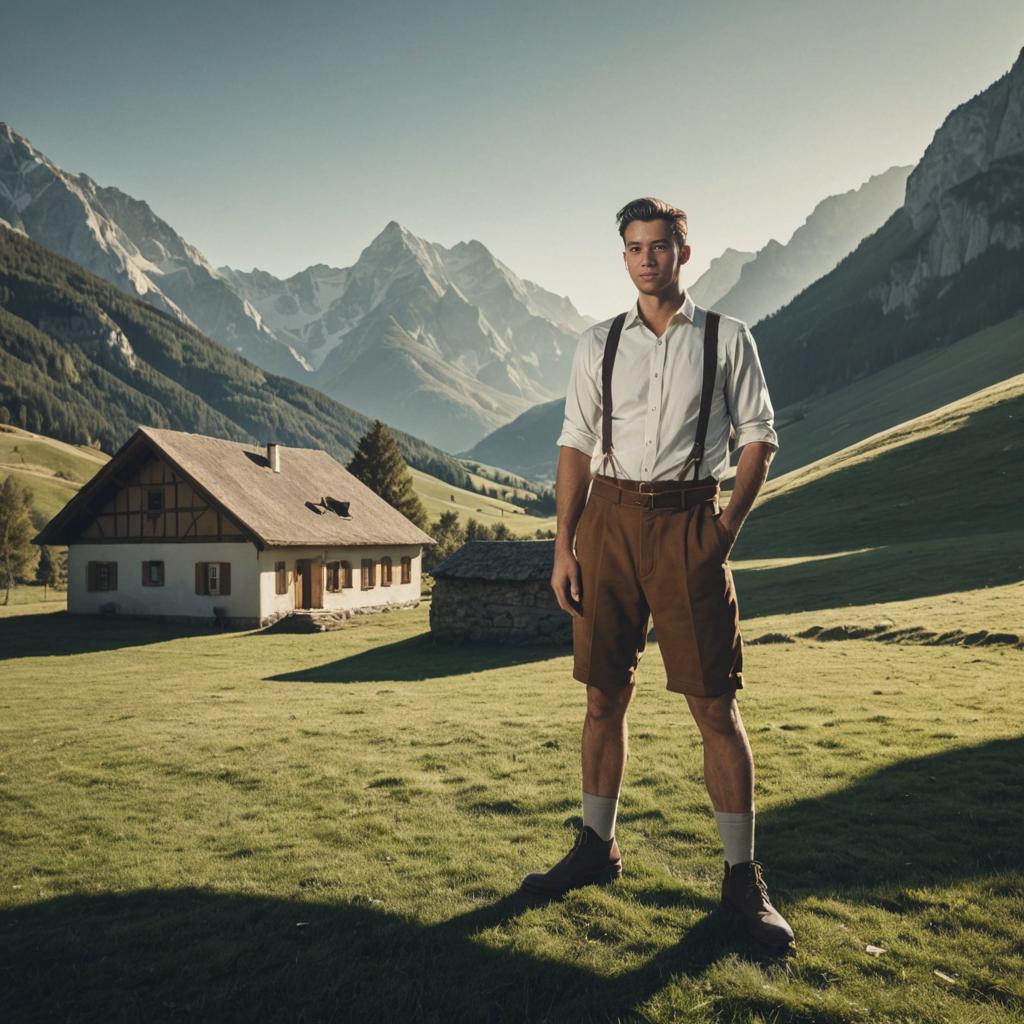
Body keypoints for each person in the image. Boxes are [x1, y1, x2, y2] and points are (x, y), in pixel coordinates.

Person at [520, 197, 794, 952]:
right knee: (603, 694)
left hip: (687, 523)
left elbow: (759, 437)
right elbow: (575, 443)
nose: (648, 257)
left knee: (714, 704)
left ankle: (742, 878)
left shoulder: (728, 338)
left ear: (684, 252)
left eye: (660, 245)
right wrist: (564, 545)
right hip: (606, 522)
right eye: (635, 247)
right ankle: (595, 848)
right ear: (625, 258)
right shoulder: (597, 342)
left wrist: (724, 530)